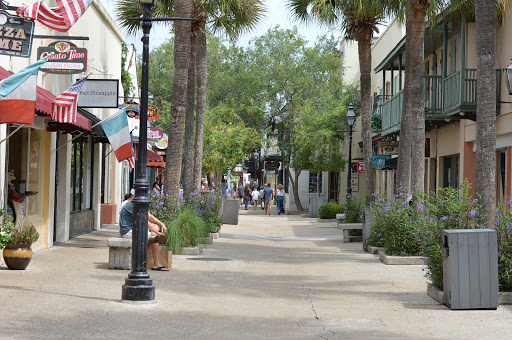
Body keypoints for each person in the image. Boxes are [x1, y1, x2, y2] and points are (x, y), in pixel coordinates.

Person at [119, 199, 169, 271]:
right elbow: (145, 221)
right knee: (155, 238)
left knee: (156, 227)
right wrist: (158, 233)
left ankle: (151, 239)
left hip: (134, 229)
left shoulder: (137, 203)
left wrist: (161, 224)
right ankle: (156, 263)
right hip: (127, 231)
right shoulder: (133, 205)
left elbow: (150, 217)